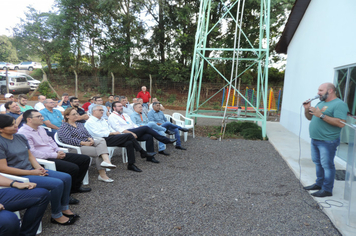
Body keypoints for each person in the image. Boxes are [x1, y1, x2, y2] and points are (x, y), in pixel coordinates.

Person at [0, 114, 78, 225]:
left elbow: (30, 156)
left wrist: (38, 167)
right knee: (57, 183)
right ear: (1, 129)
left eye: (14, 123)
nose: (15, 126)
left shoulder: (20, 137)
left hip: (31, 169)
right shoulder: (1, 142)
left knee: (66, 177)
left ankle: (64, 207)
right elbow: (3, 169)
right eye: (11, 125)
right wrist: (31, 172)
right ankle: (56, 215)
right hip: (18, 175)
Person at [18, 109, 92, 198]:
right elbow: (33, 153)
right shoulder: (23, 133)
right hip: (42, 159)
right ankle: (66, 195)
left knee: (84, 159)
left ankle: (75, 187)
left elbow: (50, 140)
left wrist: (58, 150)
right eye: (39, 117)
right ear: (29, 119)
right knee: (73, 168)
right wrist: (55, 155)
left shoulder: (40, 128)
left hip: (53, 153)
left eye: (42, 116)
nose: (42, 118)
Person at [303, 83, 348, 197]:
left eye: (321, 90)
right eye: (318, 90)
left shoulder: (339, 104)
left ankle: (327, 189)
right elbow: (310, 117)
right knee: (318, 163)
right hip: (315, 139)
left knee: (327, 165)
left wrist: (322, 115)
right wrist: (307, 109)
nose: (318, 92)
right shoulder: (321, 103)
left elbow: (341, 123)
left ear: (331, 90)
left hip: (328, 141)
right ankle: (319, 184)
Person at [85, 105, 157, 172]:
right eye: (100, 110)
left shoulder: (103, 120)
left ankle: (131, 164)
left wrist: (115, 132)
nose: (102, 111)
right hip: (102, 140)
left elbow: (110, 128)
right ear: (94, 111)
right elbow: (96, 133)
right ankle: (142, 152)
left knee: (129, 143)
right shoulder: (90, 122)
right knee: (129, 135)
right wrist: (112, 133)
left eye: (102, 110)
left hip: (111, 137)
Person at [58, 107, 117, 182]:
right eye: (73, 114)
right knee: (99, 152)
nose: (76, 115)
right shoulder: (64, 126)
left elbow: (87, 134)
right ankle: (103, 175)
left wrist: (90, 139)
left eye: (76, 113)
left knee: (101, 140)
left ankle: (106, 161)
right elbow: (67, 140)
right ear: (67, 116)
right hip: (76, 147)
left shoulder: (79, 124)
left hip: (87, 142)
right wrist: (83, 143)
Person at [108, 101, 177, 157]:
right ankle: (164, 139)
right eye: (119, 106)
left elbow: (133, 124)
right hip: (124, 133)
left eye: (121, 106)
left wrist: (139, 129)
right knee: (146, 127)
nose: (121, 107)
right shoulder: (112, 116)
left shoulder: (125, 115)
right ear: (114, 108)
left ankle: (150, 156)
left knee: (148, 136)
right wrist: (133, 132)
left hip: (133, 130)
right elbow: (118, 128)